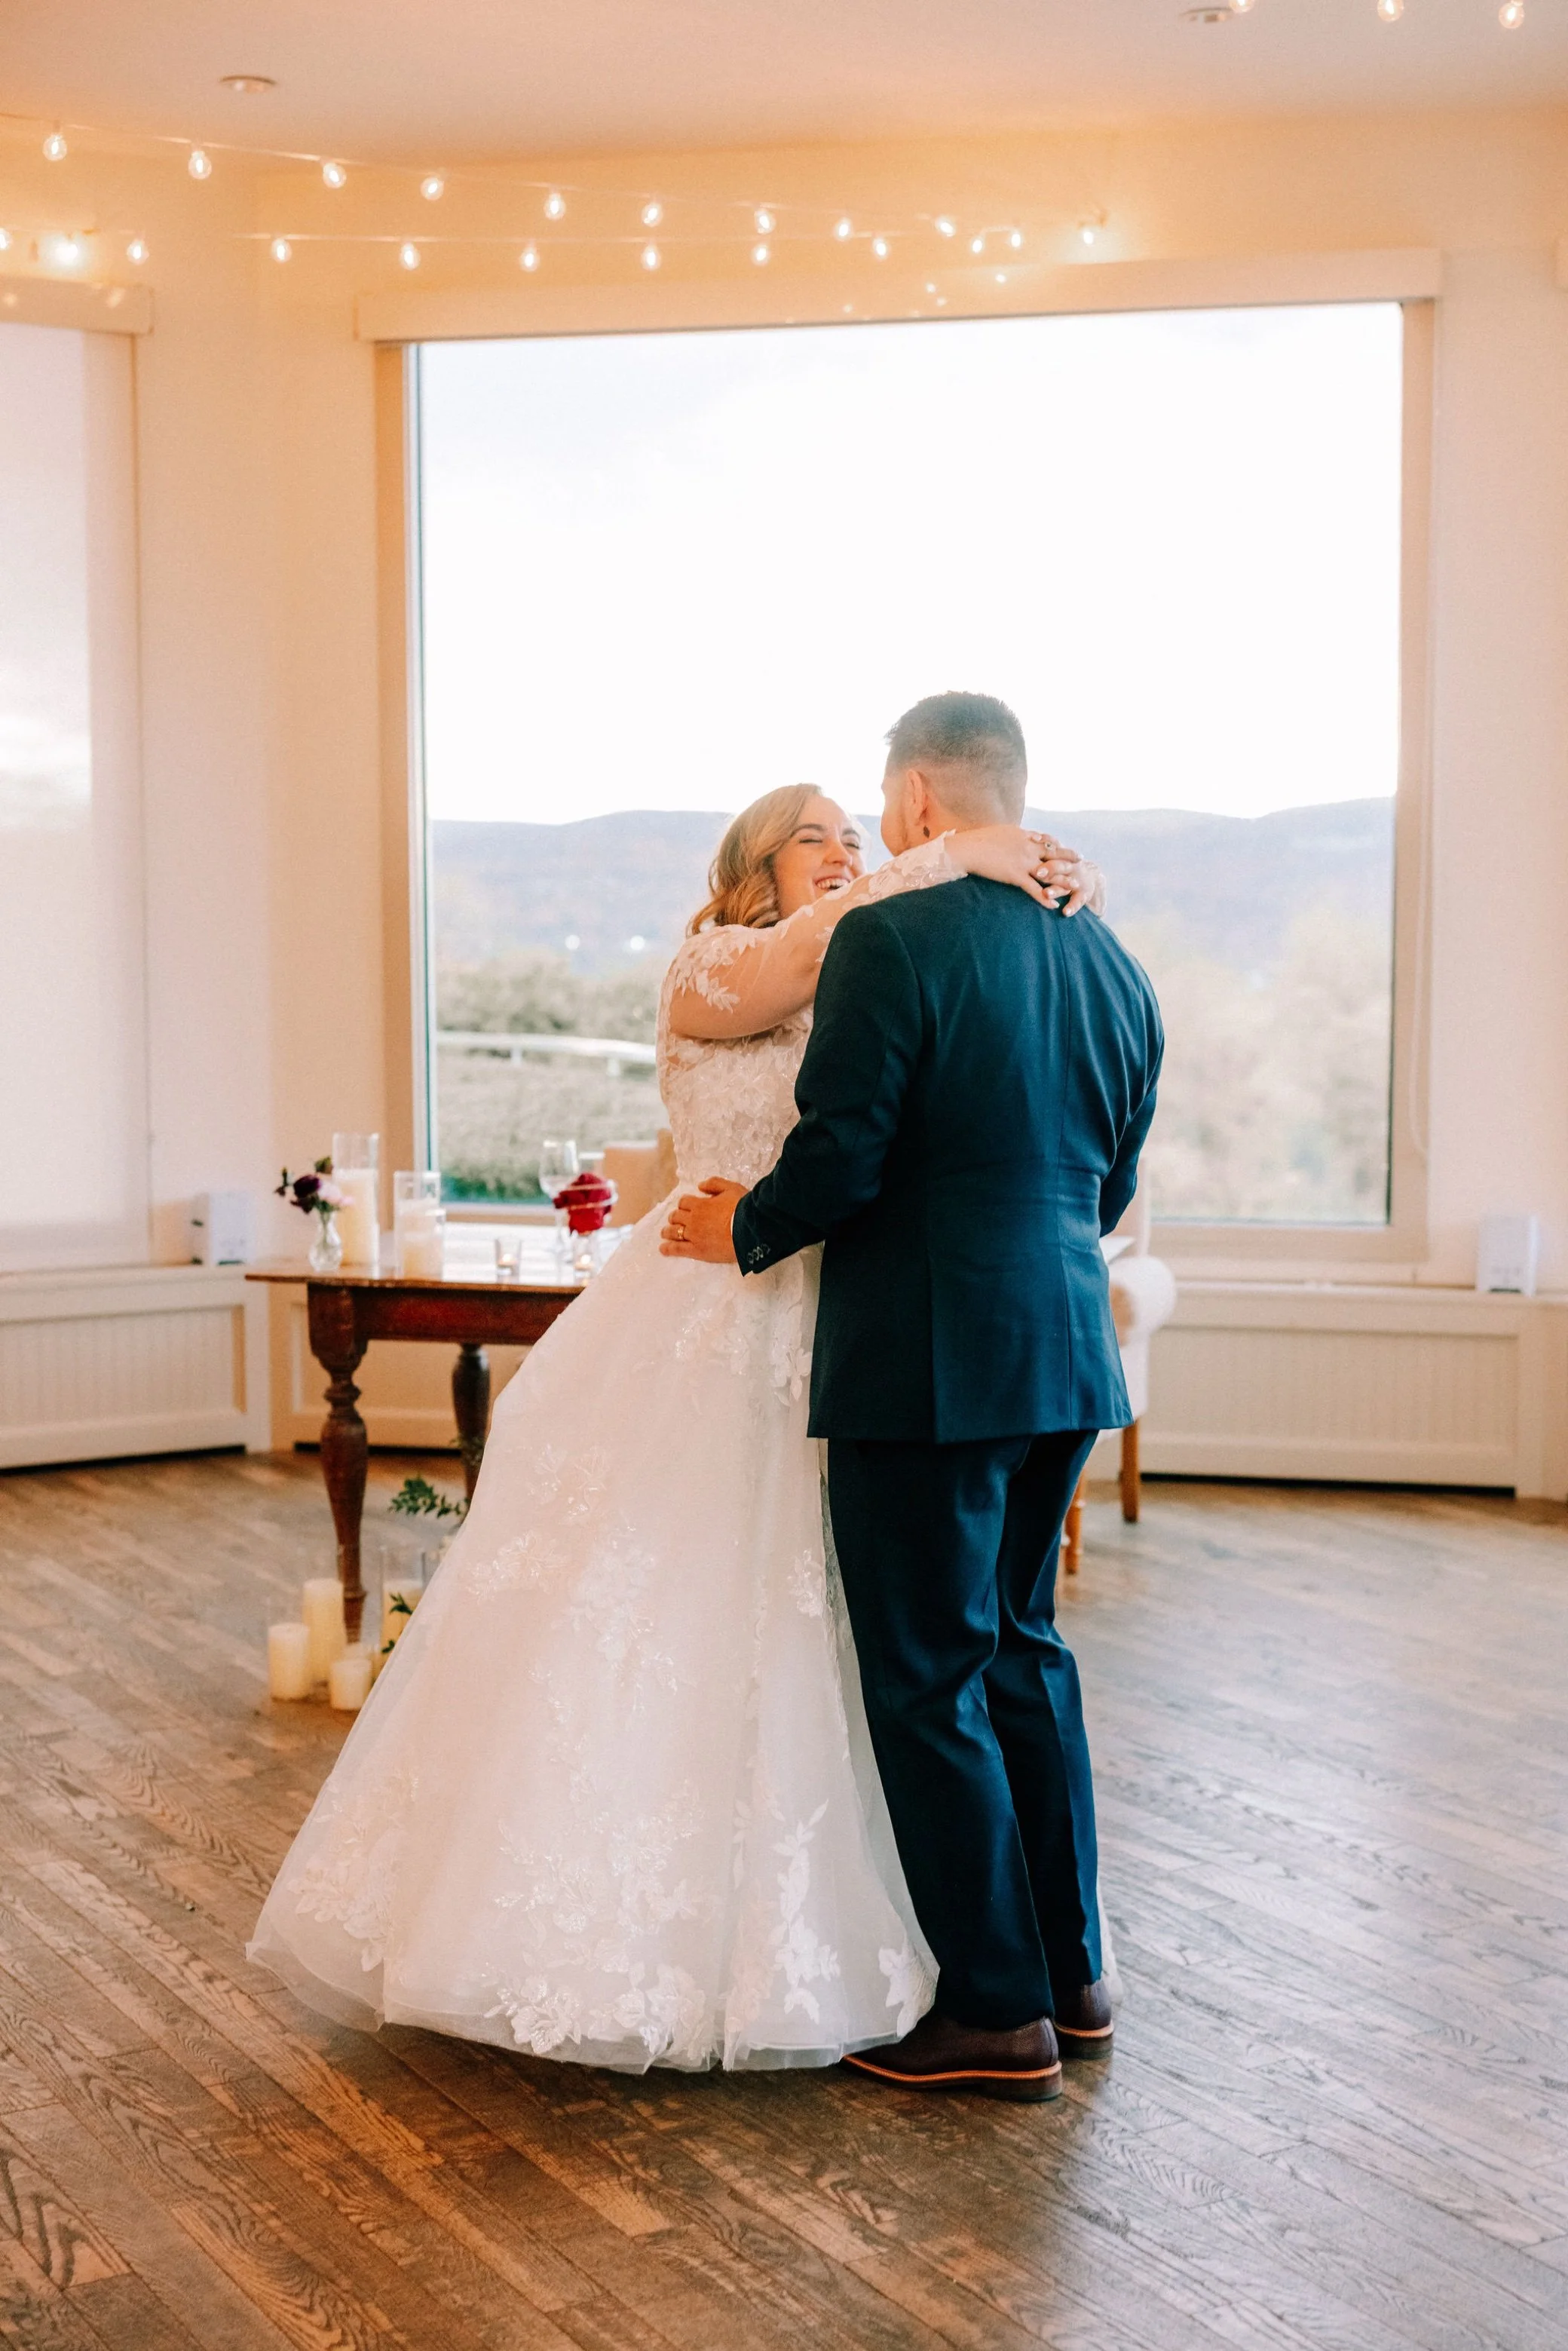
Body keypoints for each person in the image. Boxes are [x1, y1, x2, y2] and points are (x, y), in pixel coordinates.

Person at [248, 780, 1103, 2073]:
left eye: (857, 835)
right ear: (750, 862)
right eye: (813, 833)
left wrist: (957, 881)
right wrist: (964, 854)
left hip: (838, 1310)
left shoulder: (868, 956)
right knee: (684, 1593)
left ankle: (950, 1946)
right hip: (711, 1302)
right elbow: (811, 957)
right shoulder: (717, 966)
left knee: (867, 1632)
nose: (844, 851)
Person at [663, 691, 1162, 2102]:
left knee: (927, 1673)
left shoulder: (892, 935)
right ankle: (1075, 1973)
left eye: (884, 806)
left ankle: (994, 2013)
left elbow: (846, 1155)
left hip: (929, 1356)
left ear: (921, 802)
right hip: (1066, 1348)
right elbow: (1113, 1185)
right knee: (1023, 1651)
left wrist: (744, 1226)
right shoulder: (1111, 961)